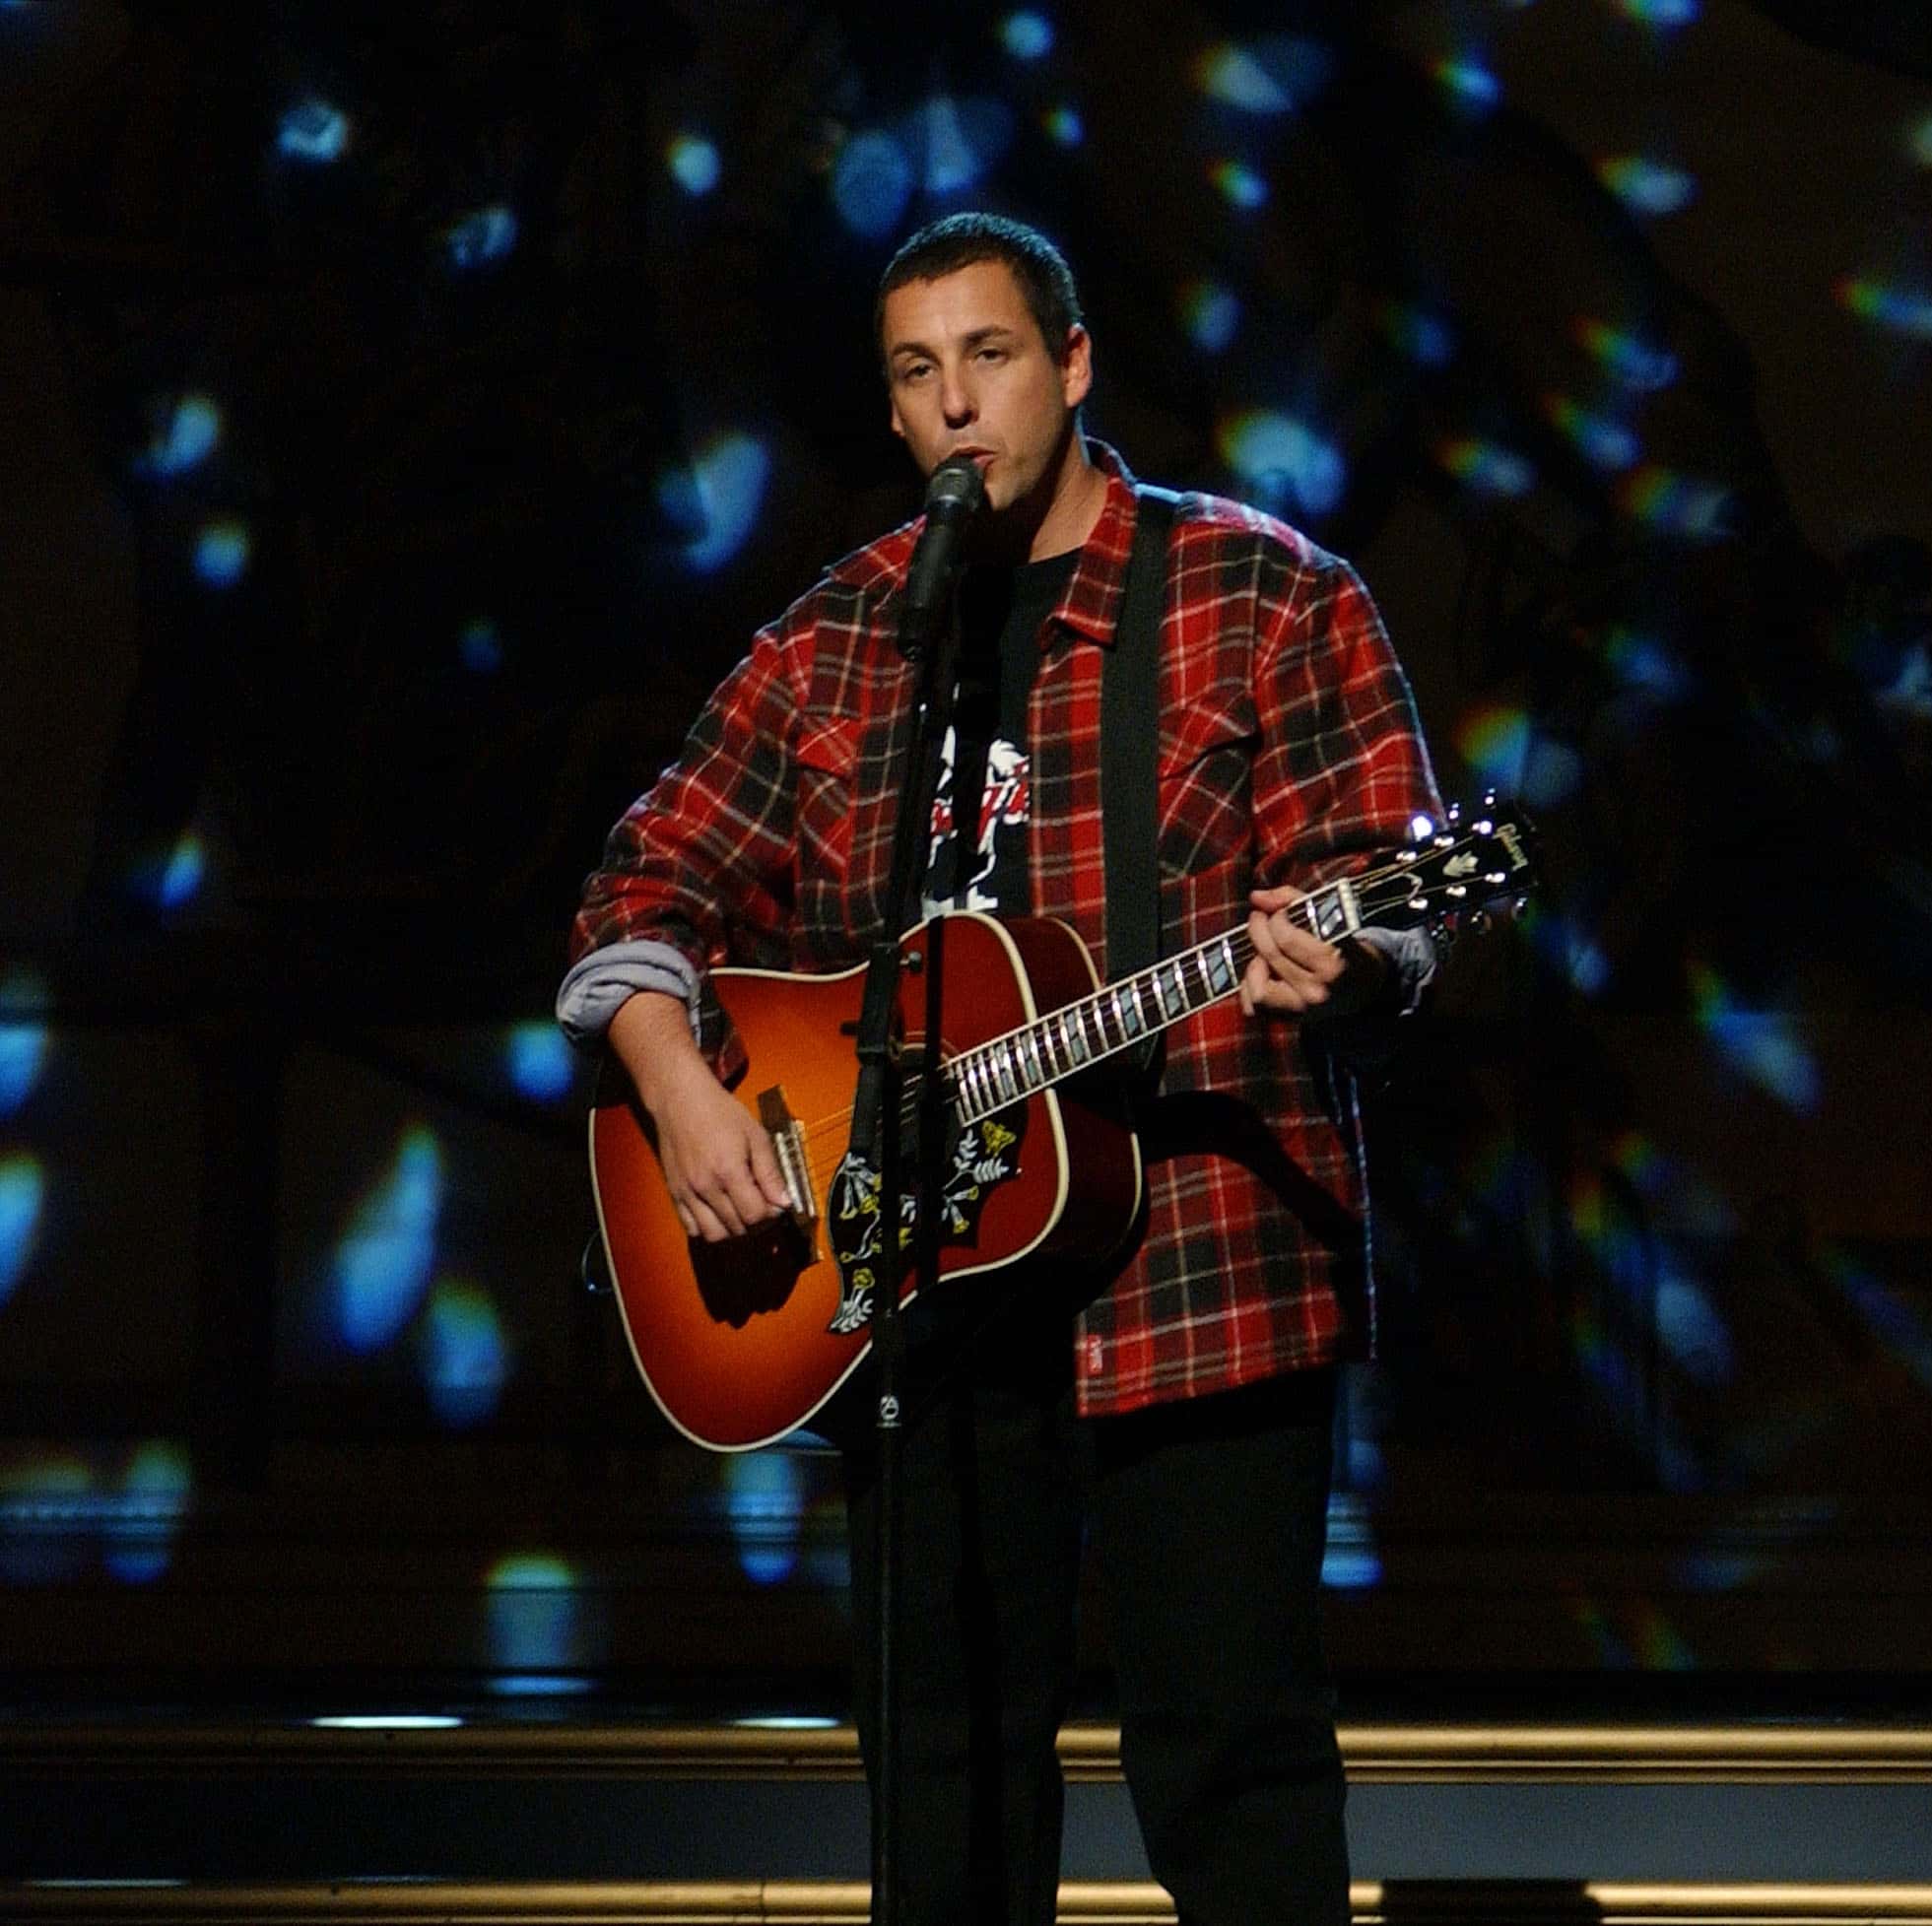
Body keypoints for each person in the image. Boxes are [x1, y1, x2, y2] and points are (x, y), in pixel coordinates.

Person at [557, 211, 1445, 1926]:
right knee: (944, 1779)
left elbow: (1377, 884)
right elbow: (640, 889)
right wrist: (673, 1081)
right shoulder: (836, 642)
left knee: (1231, 1757)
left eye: (990, 356)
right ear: (891, 416)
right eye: (917, 372)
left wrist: (1362, 951)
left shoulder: (1263, 594)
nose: (958, 403)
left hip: (1204, 1266)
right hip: (920, 1298)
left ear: (1074, 365)